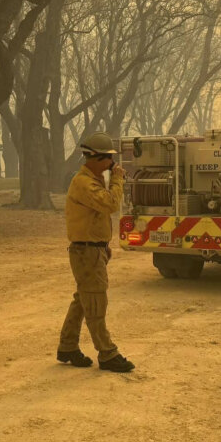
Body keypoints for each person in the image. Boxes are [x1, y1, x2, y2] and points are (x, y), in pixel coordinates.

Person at [56, 132, 135, 373]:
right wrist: (117, 180)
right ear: (94, 158)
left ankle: (67, 347)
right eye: (107, 160)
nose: (110, 164)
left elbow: (95, 217)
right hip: (86, 252)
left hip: (92, 250)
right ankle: (107, 353)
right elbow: (110, 204)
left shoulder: (93, 179)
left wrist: (103, 245)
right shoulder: (84, 183)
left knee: (84, 299)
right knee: (96, 302)